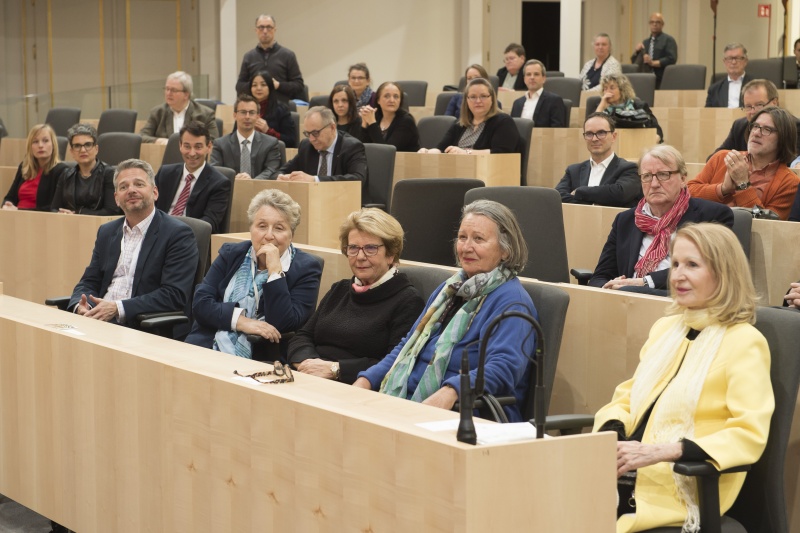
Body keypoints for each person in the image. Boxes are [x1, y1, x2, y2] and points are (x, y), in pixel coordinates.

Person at [594, 222, 773, 533]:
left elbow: (748, 432)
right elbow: (628, 395)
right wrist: (614, 434)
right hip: (622, 472)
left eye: (692, 265)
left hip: (681, 484)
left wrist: (667, 450)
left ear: (724, 272)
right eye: (675, 263)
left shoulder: (744, 341)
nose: (677, 275)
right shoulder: (668, 328)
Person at [354, 200, 536, 422]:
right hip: (410, 402)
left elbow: (503, 368)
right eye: (462, 237)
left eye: (478, 239)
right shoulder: (450, 288)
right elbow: (408, 345)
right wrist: (365, 381)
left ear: (506, 250)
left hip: (468, 413)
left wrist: (450, 392)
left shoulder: (512, 301)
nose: (466, 247)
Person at [288, 209, 425, 384]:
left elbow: (394, 364)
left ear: (391, 254)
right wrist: (308, 365)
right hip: (308, 377)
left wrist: (335, 369)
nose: (360, 257)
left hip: (354, 387)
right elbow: (302, 336)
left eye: (370, 248)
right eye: (353, 248)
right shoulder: (340, 289)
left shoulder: (408, 300)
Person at [185, 189, 322, 358]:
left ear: (291, 235)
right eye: (262, 226)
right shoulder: (231, 254)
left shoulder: (306, 268)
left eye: (279, 228)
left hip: (261, 357)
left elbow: (285, 323)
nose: (269, 235)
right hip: (206, 345)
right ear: (251, 229)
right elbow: (200, 303)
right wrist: (241, 322)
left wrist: (275, 273)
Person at [67, 158, 198, 326]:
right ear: (116, 198)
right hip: (99, 321)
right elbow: (89, 281)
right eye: (123, 187)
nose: (131, 190)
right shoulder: (107, 232)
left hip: (142, 325)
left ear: (155, 192)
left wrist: (118, 308)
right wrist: (81, 305)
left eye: (139, 184)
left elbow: (173, 295)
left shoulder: (178, 234)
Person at [589, 145, 733, 293]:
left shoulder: (712, 216)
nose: (654, 184)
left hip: (681, 301)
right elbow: (599, 277)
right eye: (647, 176)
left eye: (663, 175)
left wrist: (645, 283)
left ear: (683, 179)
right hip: (626, 303)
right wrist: (607, 288)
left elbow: (708, 268)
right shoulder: (625, 221)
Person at [689, 106, 800, 220]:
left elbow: (768, 226)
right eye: (755, 126)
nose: (756, 133)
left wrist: (743, 185)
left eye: (767, 129)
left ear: (783, 138)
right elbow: (687, 195)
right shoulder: (722, 157)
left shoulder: (789, 182)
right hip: (704, 232)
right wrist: (723, 189)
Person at [154, 121, 231, 233]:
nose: (192, 153)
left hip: (189, 238)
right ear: (180, 146)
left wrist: (176, 231)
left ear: (209, 147)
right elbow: (149, 206)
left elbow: (209, 223)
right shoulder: (165, 173)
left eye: (198, 147)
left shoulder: (220, 183)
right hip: (158, 232)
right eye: (187, 146)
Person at [555, 113, 641, 207]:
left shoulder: (629, 168)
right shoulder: (573, 171)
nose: (594, 139)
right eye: (589, 134)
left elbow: (620, 194)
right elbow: (557, 196)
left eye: (601, 133)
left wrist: (580, 191)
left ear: (614, 136)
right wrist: (592, 204)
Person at [418, 78, 521, 155]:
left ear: (492, 99)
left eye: (483, 96)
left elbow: (500, 153)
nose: (478, 101)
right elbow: (442, 148)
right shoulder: (460, 123)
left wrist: (466, 152)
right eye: (473, 97)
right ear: (466, 100)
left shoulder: (503, 122)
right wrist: (428, 152)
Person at [276, 106, 368, 190]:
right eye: (307, 134)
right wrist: (282, 177)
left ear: (332, 127)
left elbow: (358, 179)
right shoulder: (306, 146)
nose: (311, 139)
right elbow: (282, 171)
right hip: (313, 202)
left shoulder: (351, 146)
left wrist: (315, 180)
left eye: (315, 133)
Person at [710, 79, 800, 157]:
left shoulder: (794, 126)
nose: (753, 112)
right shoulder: (739, 126)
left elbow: (793, 163)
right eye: (748, 106)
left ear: (774, 103)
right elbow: (714, 158)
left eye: (759, 105)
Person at [50, 123, 120, 216]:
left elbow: (111, 211)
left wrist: (77, 214)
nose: (83, 150)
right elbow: (54, 209)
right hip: (69, 226)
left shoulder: (109, 174)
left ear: (96, 149)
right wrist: (61, 213)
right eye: (77, 146)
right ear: (72, 151)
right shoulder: (66, 175)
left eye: (88, 144)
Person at [210, 94, 282, 181]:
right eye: (243, 112)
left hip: (260, 190)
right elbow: (215, 170)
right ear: (235, 115)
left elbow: (272, 170)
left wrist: (251, 182)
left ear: (258, 116)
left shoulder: (271, 143)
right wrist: (234, 179)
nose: (247, 117)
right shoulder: (220, 144)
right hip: (230, 191)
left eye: (252, 113)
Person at [235, 14, 304, 103]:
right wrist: (256, 86)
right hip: (255, 110)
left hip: (281, 109)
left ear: (274, 30)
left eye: (269, 27)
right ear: (256, 30)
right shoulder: (248, 56)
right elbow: (239, 86)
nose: (265, 31)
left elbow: (299, 86)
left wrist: (278, 85)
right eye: (261, 27)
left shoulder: (288, 55)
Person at [139, 71, 218, 145]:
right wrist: (158, 141)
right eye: (167, 89)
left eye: (173, 90)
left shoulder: (205, 114)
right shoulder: (158, 112)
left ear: (186, 94)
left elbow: (213, 140)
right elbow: (141, 136)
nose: (168, 93)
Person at [2, 124, 66, 211]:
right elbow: (10, 197)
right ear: (30, 147)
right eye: (35, 142)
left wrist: (19, 210)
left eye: (45, 141)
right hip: (15, 218)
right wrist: (7, 205)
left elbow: (54, 208)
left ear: (53, 144)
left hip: (39, 220)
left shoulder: (61, 171)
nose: (40, 145)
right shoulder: (24, 167)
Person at [595, 73, 663, 142]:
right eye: (605, 89)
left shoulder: (639, 106)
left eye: (612, 88)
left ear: (622, 90)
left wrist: (651, 141)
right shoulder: (601, 108)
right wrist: (601, 107)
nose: (607, 92)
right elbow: (592, 129)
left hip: (639, 142)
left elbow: (657, 131)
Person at [358, 81, 420, 152]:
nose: (392, 100)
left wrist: (372, 123)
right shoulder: (376, 117)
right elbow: (361, 148)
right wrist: (364, 123)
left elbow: (387, 152)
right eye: (387, 96)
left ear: (400, 101)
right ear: (378, 100)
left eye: (396, 96)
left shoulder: (406, 121)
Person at [248, 70, 297, 148]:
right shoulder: (244, 109)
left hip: (273, 153)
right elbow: (234, 136)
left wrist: (268, 131)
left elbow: (290, 141)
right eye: (254, 85)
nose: (258, 88)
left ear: (270, 87)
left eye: (263, 85)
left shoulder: (281, 110)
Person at [510, 59, 567, 127]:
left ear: (543, 78)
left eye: (536, 74)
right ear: (524, 79)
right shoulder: (517, 103)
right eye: (528, 74)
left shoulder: (554, 101)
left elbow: (557, 130)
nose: (532, 77)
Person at [630, 12, 677, 89]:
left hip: (662, 78)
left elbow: (672, 59)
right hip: (646, 79)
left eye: (657, 22)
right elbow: (635, 63)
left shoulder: (668, 40)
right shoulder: (645, 42)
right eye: (652, 22)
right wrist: (637, 51)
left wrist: (653, 63)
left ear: (662, 24)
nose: (654, 24)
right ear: (649, 24)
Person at [705, 43, 753, 108]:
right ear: (724, 62)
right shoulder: (714, 89)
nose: (733, 62)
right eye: (729, 59)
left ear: (745, 61)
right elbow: (707, 113)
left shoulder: (757, 86)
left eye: (737, 58)